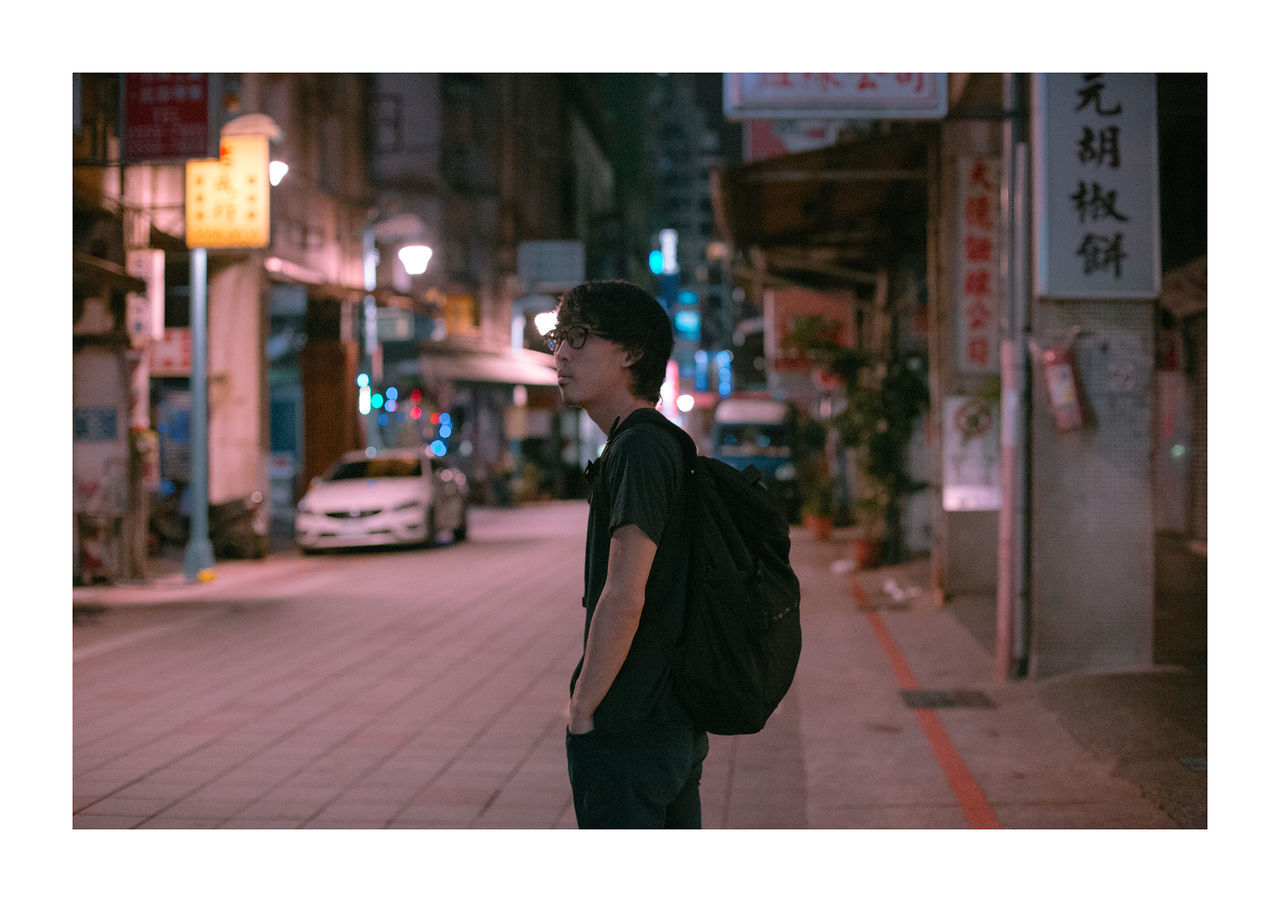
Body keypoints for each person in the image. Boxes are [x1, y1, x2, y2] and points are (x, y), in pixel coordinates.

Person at [548, 279, 709, 829]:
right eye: (557, 340)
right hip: (669, 720)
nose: (561, 355)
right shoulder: (654, 443)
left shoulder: (638, 448)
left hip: (632, 727)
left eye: (578, 337)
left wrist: (584, 706)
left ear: (631, 353)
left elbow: (624, 594)